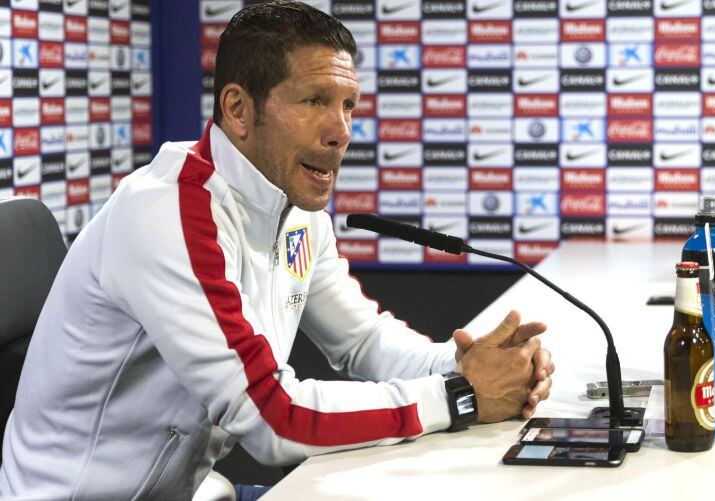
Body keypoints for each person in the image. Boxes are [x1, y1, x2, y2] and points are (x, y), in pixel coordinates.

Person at [0, 2, 554, 499]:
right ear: (239, 110)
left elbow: (361, 341)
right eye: (315, 100)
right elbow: (273, 419)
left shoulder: (294, 206)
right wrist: (460, 395)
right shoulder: (168, 213)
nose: (341, 131)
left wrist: (477, 364)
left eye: (349, 105)